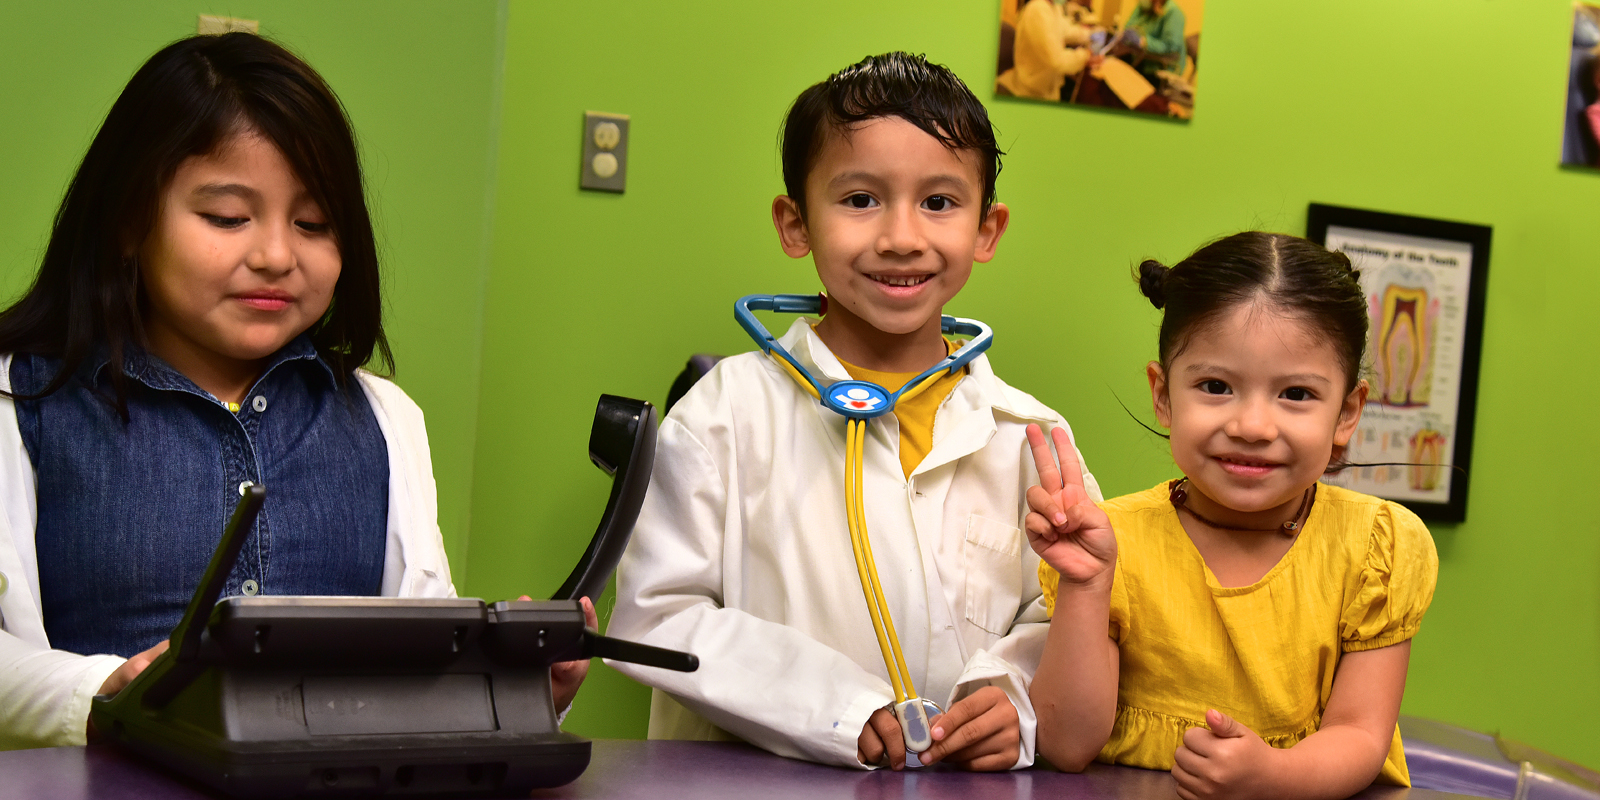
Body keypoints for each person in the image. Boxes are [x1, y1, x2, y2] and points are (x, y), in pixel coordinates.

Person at [0, 33, 591, 750]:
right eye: (227, 217)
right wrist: (99, 693)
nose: (276, 255)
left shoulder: (385, 419)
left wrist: (514, 682)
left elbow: (420, 652)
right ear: (130, 221)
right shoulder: (20, 402)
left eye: (313, 224)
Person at [606, 52, 1100, 772]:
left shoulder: (1030, 435)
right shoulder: (724, 415)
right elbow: (657, 616)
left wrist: (1011, 699)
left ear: (987, 230)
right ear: (795, 223)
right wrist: (837, 708)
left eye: (939, 202)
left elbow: (1059, 614)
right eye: (860, 199)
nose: (902, 236)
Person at [1026, 232, 1438, 798]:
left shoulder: (1376, 547)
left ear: (1347, 413)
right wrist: (1088, 585)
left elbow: (1360, 735)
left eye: (1295, 394)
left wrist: (1272, 775)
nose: (1252, 426)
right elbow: (1065, 746)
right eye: (1216, 386)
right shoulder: (1113, 543)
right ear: (1164, 394)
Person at [996, 0, 1094, 101]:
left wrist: (1092, 34)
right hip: (1030, 92)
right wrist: (1085, 56)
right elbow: (1057, 60)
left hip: (1046, 88)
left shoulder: (1053, 8)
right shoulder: (1037, 10)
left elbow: (1067, 30)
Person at [1117, 0, 1187, 85]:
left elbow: (1170, 46)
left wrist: (1143, 42)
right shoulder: (1143, 6)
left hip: (1158, 69)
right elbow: (1129, 27)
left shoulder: (1173, 13)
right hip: (1138, 58)